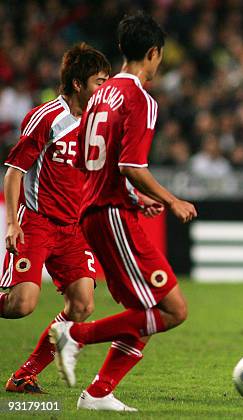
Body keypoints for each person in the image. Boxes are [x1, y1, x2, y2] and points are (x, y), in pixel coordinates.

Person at [49, 13, 197, 411]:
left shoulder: (100, 93)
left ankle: (98, 393)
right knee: (173, 309)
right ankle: (76, 335)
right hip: (110, 214)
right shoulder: (140, 99)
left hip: (98, 210)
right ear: (153, 54)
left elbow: (86, 158)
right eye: (159, 57)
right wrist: (171, 200)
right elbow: (131, 165)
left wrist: (133, 199)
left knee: (144, 311)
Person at [0, 43, 110, 393]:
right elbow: (14, 171)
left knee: (82, 304)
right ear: (78, 84)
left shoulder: (99, 124)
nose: (104, 89)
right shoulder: (48, 117)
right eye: (99, 81)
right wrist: (12, 223)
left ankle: (24, 375)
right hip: (36, 221)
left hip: (74, 229)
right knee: (21, 305)